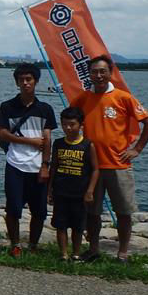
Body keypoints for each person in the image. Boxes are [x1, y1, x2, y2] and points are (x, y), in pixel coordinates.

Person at [75, 55, 148, 263]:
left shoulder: (123, 97)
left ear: (110, 73)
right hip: (92, 167)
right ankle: (93, 249)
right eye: (94, 72)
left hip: (119, 165)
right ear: (89, 74)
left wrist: (136, 149)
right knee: (92, 213)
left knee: (124, 212)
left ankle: (123, 253)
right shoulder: (83, 99)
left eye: (103, 71)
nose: (99, 75)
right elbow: (70, 122)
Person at [0, 63, 57, 256]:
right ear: (17, 82)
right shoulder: (7, 107)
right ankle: (15, 244)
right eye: (21, 80)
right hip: (15, 164)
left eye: (29, 79)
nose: (25, 83)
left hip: (38, 166)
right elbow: (3, 134)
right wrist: (28, 141)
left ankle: (33, 245)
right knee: (13, 209)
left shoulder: (45, 109)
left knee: (39, 211)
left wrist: (45, 165)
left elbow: (48, 139)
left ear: (36, 81)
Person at [48, 107, 99, 261]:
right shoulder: (58, 144)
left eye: (72, 124)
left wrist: (90, 191)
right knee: (60, 224)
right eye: (64, 124)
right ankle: (63, 253)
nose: (68, 128)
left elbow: (96, 169)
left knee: (78, 226)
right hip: (61, 191)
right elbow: (54, 166)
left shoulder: (88, 145)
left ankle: (76, 253)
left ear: (80, 125)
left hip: (80, 193)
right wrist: (50, 189)